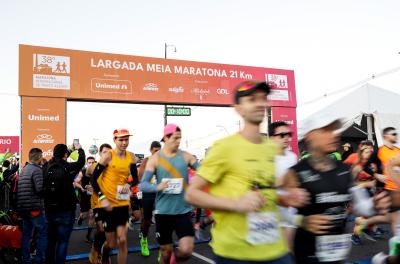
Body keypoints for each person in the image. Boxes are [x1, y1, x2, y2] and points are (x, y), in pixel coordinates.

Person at [185, 80, 308, 264]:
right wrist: (236, 204)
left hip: (275, 250)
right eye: (251, 99)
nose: (259, 103)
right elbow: (192, 194)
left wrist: (287, 198)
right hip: (236, 254)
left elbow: (265, 189)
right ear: (238, 108)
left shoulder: (269, 148)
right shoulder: (224, 148)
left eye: (262, 98)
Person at [282, 117, 390, 264]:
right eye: (327, 130)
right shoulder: (295, 173)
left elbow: (361, 205)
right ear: (310, 135)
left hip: (336, 253)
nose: (335, 134)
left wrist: (374, 205)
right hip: (306, 252)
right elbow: (276, 212)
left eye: (335, 130)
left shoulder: (344, 170)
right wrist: (301, 221)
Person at [140, 124, 198, 264]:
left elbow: (205, 170)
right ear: (165, 138)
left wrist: (199, 177)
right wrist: (157, 187)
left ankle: (174, 261)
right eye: (175, 138)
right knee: (166, 252)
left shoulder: (186, 156)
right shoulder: (155, 159)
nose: (178, 141)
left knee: (186, 250)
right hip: (164, 212)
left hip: (183, 211)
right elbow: (143, 184)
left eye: (180, 138)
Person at [91, 129, 138, 264]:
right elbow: (94, 179)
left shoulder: (131, 157)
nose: (124, 143)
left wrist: (129, 185)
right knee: (111, 244)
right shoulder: (108, 156)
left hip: (122, 203)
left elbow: (135, 179)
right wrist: (102, 197)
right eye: (121, 140)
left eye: (126, 140)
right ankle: (104, 255)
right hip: (107, 205)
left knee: (122, 240)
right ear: (115, 140)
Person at [44, 143, 85, 264]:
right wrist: (79, 149)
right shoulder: (68, 167)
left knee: (50, 241)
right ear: (65, 155)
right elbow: (81, 161)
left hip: (49, 209)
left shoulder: (46, 166)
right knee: (63, 242)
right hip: (66, 209)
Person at [269, 121, 298, 251]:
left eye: (288, 134)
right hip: (271, 212)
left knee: (288, 251)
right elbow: (260, 186)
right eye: (281, 135)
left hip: (290, 211)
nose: (286, 138)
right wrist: (282, 181)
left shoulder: (292, 157)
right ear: (271, 137)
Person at [17, 148, 47, 264]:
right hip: (34, 207)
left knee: (26, 234)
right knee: (43, 232)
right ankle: (39, 259)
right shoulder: (37, 170)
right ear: (39, 157)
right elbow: (40, 189)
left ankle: (26, 259)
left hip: (23, 207)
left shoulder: (24, 169)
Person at [86, 144, 112, 264]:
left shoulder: (114, 168)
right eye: (104, 152)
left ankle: (103, 252)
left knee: (109, 232)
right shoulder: (94, 166)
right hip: (97, 202)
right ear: (100, 154)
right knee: (101, 229)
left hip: (111, 203)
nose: (107, 154)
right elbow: (87, 174)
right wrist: (91, 185)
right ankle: (97, 250)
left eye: (109, 152)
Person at [137, 141, 161, 257]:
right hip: (148, 194)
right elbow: (140, 178)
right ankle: (144, 239)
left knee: (162, 220)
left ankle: (163, 247)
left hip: (160, 194)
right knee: (146, 221)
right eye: (156, 151)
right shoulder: (146, 161)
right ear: (151, 150)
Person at [74, 156, 96, 242]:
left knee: (92, 214)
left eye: (92, 162)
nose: (91, 164)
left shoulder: (97, 171)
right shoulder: (82, 172)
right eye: (89, 162)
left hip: (93, 196)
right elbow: (75, 182)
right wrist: (82, 188)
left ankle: (88, 235)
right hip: (84, 196)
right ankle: (81, 217)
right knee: (85, 215)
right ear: (87, 163)